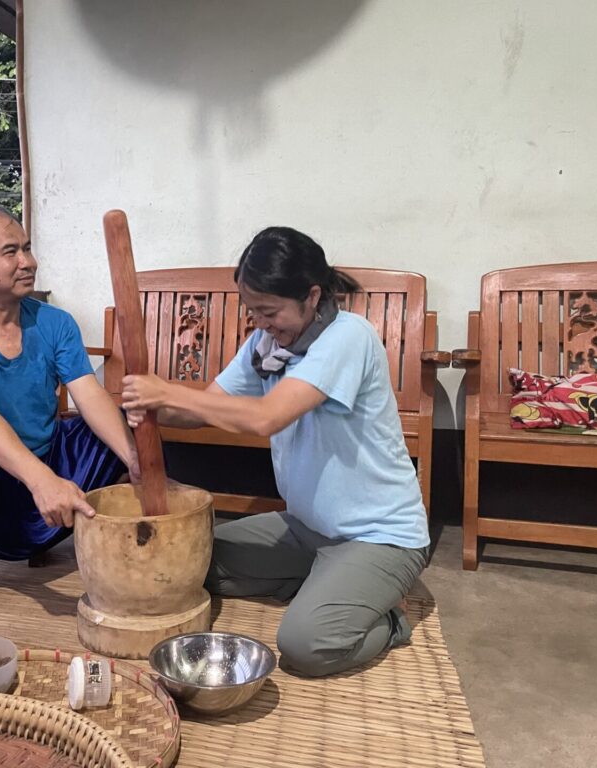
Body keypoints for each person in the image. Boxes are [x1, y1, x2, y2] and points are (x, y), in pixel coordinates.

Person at [121, 226, 430, 677]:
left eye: (269, 311)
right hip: (307, 529)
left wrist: (166, 390)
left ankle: (389, 615)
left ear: (311, 295)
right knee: (190, 565)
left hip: (379, 537)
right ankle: (329, 585)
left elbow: (266, 417)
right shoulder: (268, 345)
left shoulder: (348, 337)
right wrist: (145, 408)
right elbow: (211, 407)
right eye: (253, 312)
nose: (261, 323)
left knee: (306, 647)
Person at [0, 205, 138, 622]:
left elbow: (89, 396)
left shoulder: (55, 323)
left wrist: (136, 461)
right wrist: (43, 482)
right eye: (11, 251)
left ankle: (129, 555)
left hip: (47, 468)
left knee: (119, 427)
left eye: (28, 249)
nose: (28, 262)